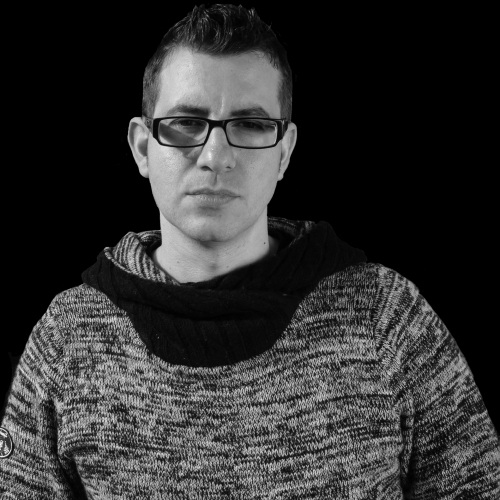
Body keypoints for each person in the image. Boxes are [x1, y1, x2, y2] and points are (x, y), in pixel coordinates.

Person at [1, 4, 499, 498]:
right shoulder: (67, 339)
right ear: (142, 147)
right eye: (185, 122)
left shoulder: (387, 317)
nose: (215, 157)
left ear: (284, 152)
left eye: (250, 125)